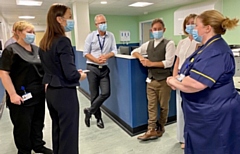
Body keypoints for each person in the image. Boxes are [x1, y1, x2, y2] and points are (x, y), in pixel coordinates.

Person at [167, 10, 240, 154]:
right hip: (201, 112)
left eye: (196, 26)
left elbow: (195, 84)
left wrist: (173, 81)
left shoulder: (216, 51)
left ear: (207, 28)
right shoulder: (205, 48)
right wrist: (179, 79)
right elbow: (188, 72)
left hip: (214, 113)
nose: (194, 30)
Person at [39, 4, 86, 154]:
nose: (71, 20)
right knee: (69, 135)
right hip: (65, 93)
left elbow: (54, 68)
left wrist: (72, 71)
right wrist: (81, 75)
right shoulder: (63, 41)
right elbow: (70, 74)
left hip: (52, 93)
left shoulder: (44, 42)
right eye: (69, 17)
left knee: (58, 130)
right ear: (59, 19)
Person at [0, 21, 52, 154]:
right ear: (18, 32)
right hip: (20, 96)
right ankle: (24, 150)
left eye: (33, 32)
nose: (32, 35)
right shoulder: (10, 50)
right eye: (29, 32)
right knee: (23, 127)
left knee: (38, 122)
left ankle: (38, 145)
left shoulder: (37, 49)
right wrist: (12, 94)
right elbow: (4, 73)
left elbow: (44, 71)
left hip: (38, 94)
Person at [131, 18, 175, 141]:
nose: (156, 31)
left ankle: (161, 126)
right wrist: (141, 58)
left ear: (164, 30)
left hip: (163, 81)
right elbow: (134, 51)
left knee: (163, 106)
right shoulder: (148, 44)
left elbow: (169, 63)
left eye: (159, 29)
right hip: (151, 80)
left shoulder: (169, 44)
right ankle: (151, 129)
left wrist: (150, 64)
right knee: (151, 106)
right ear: (151, 30)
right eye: (154, 29)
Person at [83, 14, 117, 129]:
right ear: (96, 25)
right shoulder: (91, 36)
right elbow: (85, 53)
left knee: (106, 92)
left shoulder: (110, 36)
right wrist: (96, 60)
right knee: (94, 94)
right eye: (100, 23)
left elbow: (114, 51)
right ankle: (98, 118)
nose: (103, 24)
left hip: (104, 69)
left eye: (104, 22)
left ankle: (89, 111)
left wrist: (106, 56)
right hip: (92, 68)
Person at [172, 13, 199, 149]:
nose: (190, 26)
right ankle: (181, 137)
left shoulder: (199, 43)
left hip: (190, 80)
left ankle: (190, 138)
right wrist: (173, 78)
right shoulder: (182, 42)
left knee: (189, 110)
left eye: (193, 23)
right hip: (179, 80)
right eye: (188, 23)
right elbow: (177, 61)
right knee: (180, 110)